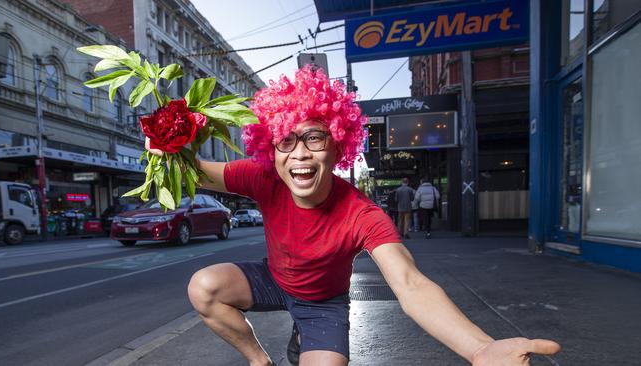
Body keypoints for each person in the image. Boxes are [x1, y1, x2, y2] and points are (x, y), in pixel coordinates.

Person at [146, 66, 560, 366]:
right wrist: (167, 141)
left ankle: (304, 332)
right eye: (286, 141)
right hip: (273, 280)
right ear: (271, 149)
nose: (300, 153)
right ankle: (260, 362)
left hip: (323, 303)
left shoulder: (361, 213)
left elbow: (411, 285)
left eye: (314, 137)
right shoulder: (263, 178)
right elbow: (194, 172)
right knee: (204, 286)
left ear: (337, 144)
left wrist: (478, 348)